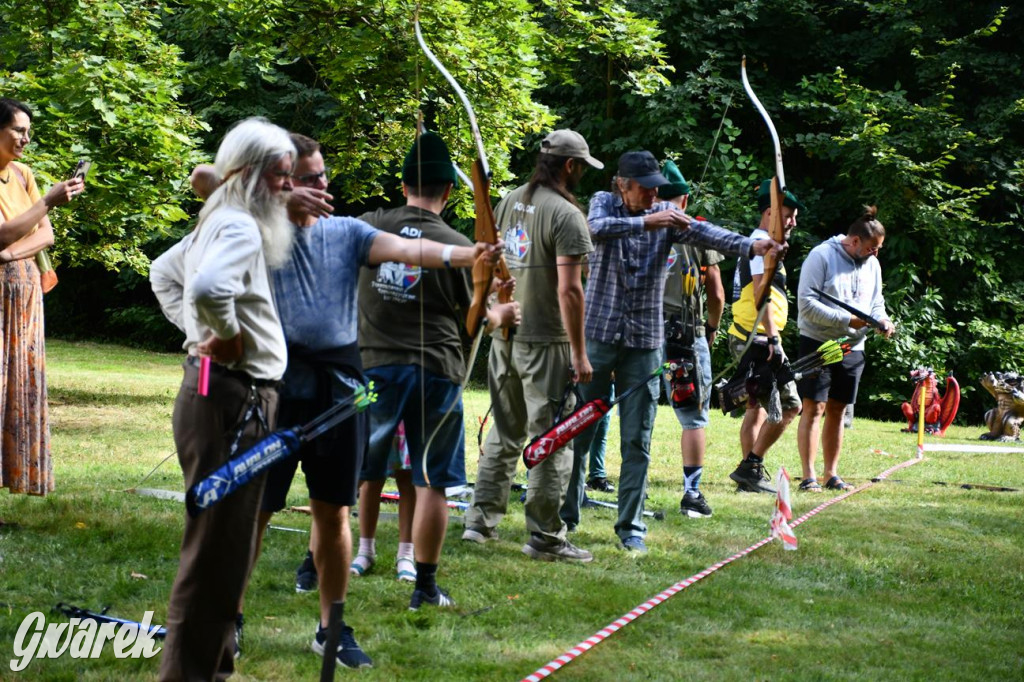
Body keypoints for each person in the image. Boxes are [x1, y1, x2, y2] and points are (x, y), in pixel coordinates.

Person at [187, 131, 505, 666]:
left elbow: (413, 249)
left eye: (321, 177)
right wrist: (281, 200)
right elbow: (202, 178)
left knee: (332, 512)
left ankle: (330, 628)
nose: (319, 188)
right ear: (278, 181)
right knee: (256, 513)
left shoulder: (349, 232)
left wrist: (466, 253)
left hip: (337, 385)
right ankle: (229, 620)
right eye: (305, 179)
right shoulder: (252, 224)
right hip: (274, 385)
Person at [561, 151, 784, 553]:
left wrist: (758, 247)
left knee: (638, 436)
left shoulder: (667, 213)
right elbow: (593, 229)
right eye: (644, 187)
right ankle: (567, 515)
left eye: (655, 188)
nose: (652, 194)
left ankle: (631, 528)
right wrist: (648, 221)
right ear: (621, 184)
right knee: (581, 425)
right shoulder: (603, 203)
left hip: (645, 341)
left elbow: (710, 235)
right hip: (597, 334)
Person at [150, 117, 296, 681]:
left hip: (224, 395)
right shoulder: (237, 225)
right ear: (254, 175)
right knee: (214, 557)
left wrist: (196, 338)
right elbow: (208, 288)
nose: (288, 186)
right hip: (234, 400)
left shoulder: (223, 217)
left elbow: (166, 273)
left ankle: (214, 669)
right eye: (281, 175)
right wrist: (223, 338)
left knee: (226, 551)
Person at [358, 130, 519, 604]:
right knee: (432, 480)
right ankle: (424, 586)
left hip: (371, 370)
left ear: (403, 182)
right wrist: (500, 313)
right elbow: (474, 320)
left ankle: (319, 565)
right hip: (435, 373)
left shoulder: (367, 225)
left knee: (352, 467)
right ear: (449, 191)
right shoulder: (457, 244)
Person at [462, 129, 598, 563]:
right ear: (571, 166)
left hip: (506, 334)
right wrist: (578, 352)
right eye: (582, 167)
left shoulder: (508, 200)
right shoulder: (565, 214)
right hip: (547, 341)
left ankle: (479, 524)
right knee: (552, 438)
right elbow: (570, 291)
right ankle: (545, 536)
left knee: (504, 433)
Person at [0, 97, 83, 501]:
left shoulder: (23, 174)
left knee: (19, 386)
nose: (25, 138)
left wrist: (10, 253)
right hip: (1, 294)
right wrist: (46, 202)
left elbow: (44, 235)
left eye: (28, 130)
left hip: (25, 287)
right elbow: (4, 231)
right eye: (18, 129)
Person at [796, 206, 894, 491]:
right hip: (818, 342)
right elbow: (806, 304)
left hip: (853, 347)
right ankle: (808, 476)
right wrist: (846, 319)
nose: (876, 253)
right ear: (853, 241)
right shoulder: (821, 256)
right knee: (814, 408)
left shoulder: (872, 265)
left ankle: (831, 474)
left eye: (878, 248)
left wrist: (883, 320)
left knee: (838, 409)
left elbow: (876, 302)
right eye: (871, 247)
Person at [725, 179, 805, 495]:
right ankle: (751, 465)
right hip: (756, 338)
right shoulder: (761, 244)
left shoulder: (760, 243)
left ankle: (749, 476)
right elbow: (761, 294)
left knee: (755, 407)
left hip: (752, 336)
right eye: (788, 216)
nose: (793, 223)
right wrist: (774, 339)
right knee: (790, 406)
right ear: (770, 213)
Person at [657, 160, 725, 518]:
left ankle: (620, 487)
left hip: (643, 333)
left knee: (636, 412)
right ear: (683, 199)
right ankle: (691, 494)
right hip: (686, 334)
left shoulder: (638, 227)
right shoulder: (696, 231)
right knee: (693, 416)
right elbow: (715, 292)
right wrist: (712, 328)